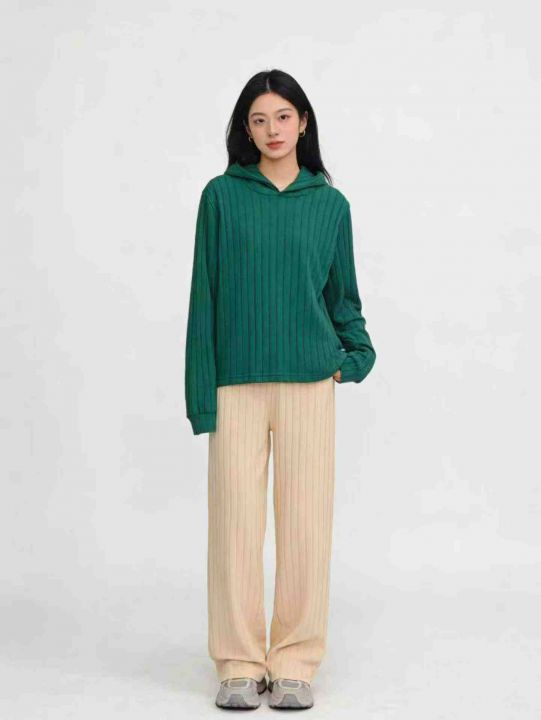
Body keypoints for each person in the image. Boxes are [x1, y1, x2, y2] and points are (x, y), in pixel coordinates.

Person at [184, 69, 376, 710]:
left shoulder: (331, 205)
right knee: (234, 528)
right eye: (260, 119)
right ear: (246, 128)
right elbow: (204, 299)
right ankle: (238, 661)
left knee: (305, 528)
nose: (273, 130)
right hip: (235, 386)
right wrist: (201, 394)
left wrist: (355, 355)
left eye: (284, 117)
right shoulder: (221, 197)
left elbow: (343, 296)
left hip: (309, 386)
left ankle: (294, 661)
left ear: (303, 123)